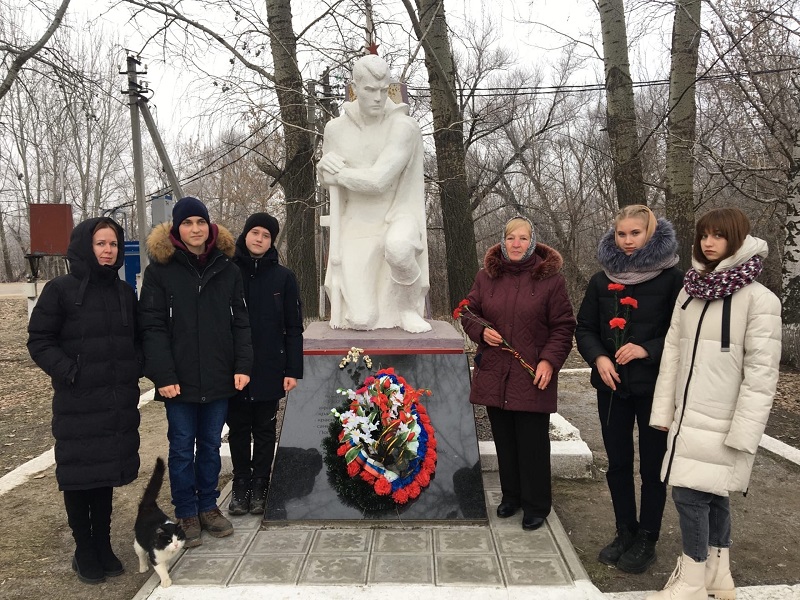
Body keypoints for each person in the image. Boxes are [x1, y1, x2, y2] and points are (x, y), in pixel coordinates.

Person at [647, 208, 781, 600]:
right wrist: (663, 412)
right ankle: (719, 578)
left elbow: (761, 376)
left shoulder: (760, 300)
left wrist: (745, 432)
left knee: (688, 494)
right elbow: (672, 353)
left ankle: (691, 580)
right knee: (712, 494)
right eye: (704, 235)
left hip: (725, 420)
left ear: (736, 239)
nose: (708, 242)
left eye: (718, 235)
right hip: (687, 416)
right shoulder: (690, 291)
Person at [27, 217, 141, 584]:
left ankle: (103, 545)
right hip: (77, 400)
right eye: (100, 244)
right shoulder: (60, 289)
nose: (108, 251)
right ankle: (84, 549)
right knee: (79, 477)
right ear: (84, 247)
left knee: (104, 475)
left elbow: (137, 339)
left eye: (113, 245)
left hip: (114, 400)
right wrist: (69, 371)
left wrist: (132, 369)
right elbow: (39, 340)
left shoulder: (124, 292)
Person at [138, 196, 252, 547]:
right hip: (179, 381)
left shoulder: (227, 269)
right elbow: (152, 327)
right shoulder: (160, 271)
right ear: (176, 229)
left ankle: (208, 507)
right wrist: (164, 376)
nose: (195, 229)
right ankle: (186, 510)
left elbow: (241, 323)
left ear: (209, 226)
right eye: (187, 223)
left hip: (219, 375)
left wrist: (242, 366)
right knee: (182, 446)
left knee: (210, 445)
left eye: (200, 222)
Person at [575, 204, 683, 573]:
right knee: (618, 463)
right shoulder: (601, 280)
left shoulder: (672, 279)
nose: (628, 241)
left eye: (635, 233)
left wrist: (645, 348)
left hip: (654, 387)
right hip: (612, 387)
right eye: (622, 234)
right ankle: (625, 529)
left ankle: (647, 537)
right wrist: (599, 359)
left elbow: (681, 332)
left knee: (653, 468)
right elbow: (585, 328)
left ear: (651, 233)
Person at [461, 216, 575, 531]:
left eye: (523, 238)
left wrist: (549, 361)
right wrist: (482, 333)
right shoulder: (486, 277)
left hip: (531, 374)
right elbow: (468, 312)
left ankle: (536, 504)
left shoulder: (550, 280)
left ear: (532, 242)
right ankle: (511, 496)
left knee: (532, 442)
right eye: (511, 237)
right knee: (505, 440)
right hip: (496, 371)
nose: (516, 244)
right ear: (502, 240)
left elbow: (563, 326)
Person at [317, 54, 430, 333]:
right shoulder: (335, 130)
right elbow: (326, 178)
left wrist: (339, 175)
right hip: (357, 223)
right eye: (370, 90)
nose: (378, 97)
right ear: (355, 87)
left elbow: (379, 180)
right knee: (361, 319)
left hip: (397, 214)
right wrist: (323, 171)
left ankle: (406, 307)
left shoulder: (403, 127)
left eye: (384, 89)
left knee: (400, 249)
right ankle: (364, 308)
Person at [227, 212, 303, 516]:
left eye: (266, 235)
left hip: (271, 365)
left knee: (264, 428)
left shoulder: (283, 278)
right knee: (237, 428)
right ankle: (240, 484)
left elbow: (293, 327)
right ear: (245, 234)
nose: (259, 239)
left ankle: (260, 483)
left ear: (272, 241)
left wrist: (292, 369)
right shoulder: (227, 272)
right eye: (255, 232)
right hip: (233, 368)